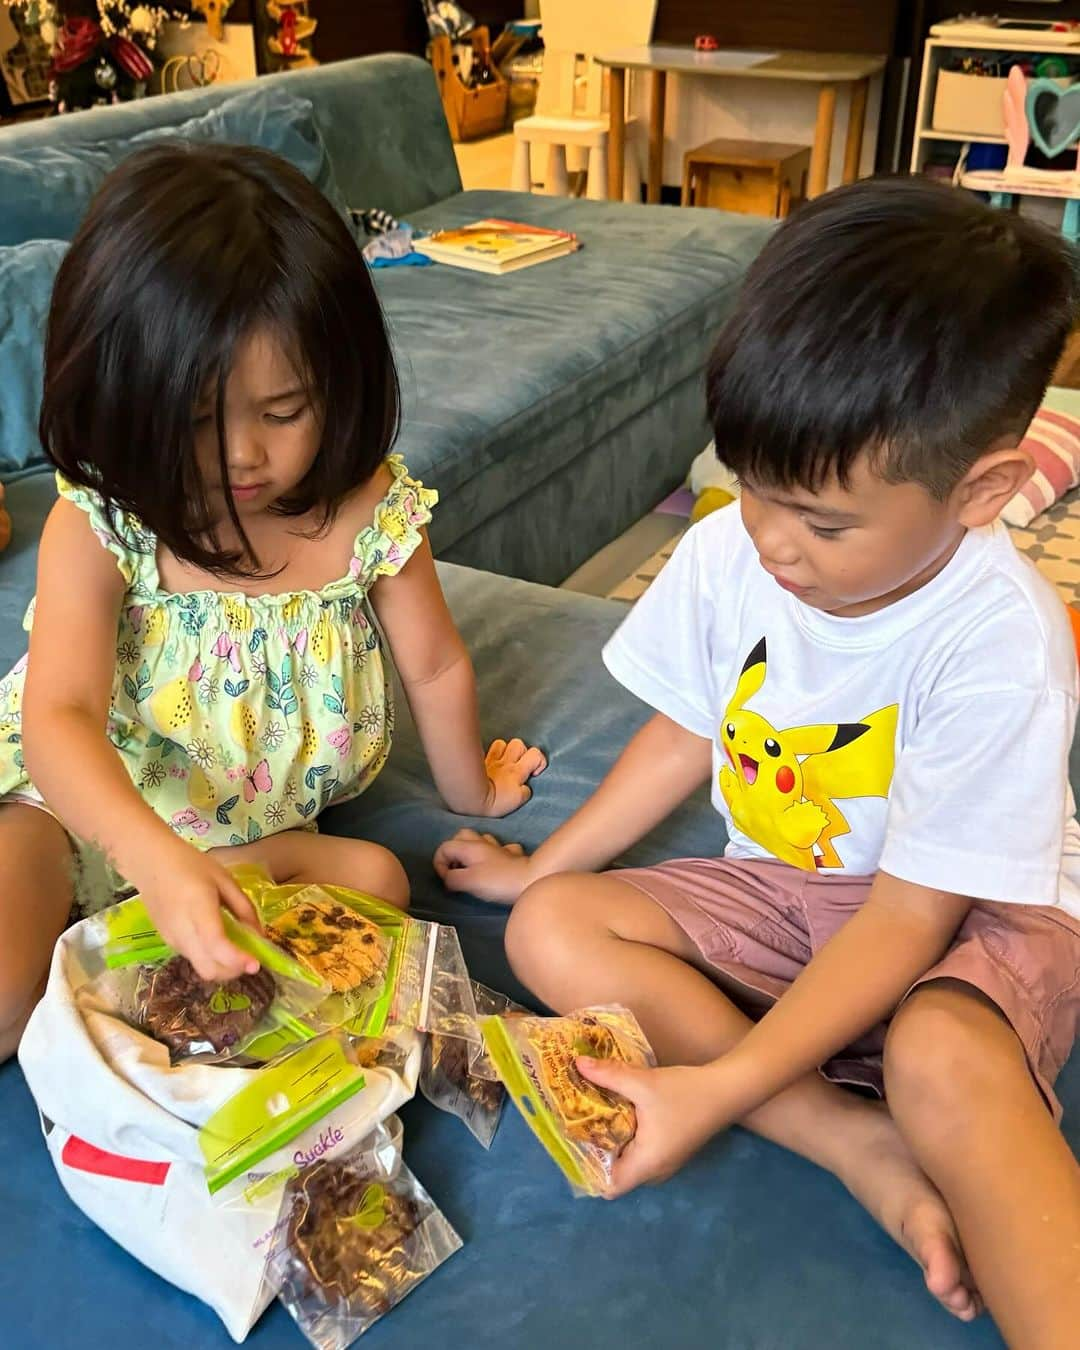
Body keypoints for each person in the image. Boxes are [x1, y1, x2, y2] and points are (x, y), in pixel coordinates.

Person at [434, 178, 1080, 1344]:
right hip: (791, 898)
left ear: (980, 491)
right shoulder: (739, 544)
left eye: (823, 523)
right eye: (751, 487)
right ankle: (852, 1141)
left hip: (965, 910)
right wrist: (542, 873)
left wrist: (715, 1091)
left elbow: (907, 918)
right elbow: (689, 727)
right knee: (552, 932)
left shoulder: (1002, 642)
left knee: (939, 1053)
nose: (771, 543)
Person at [0, 142, 544, 1061]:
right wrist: (151, 862)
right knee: (7, 1001)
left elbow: (435, 660)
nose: (243, 456)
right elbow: (59, 717)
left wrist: (473, 789)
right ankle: (133, 923)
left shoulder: (369, 510)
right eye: (200, 421)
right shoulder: (103, 523)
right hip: (78, 811)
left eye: (283, 411)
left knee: (380, 879)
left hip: (257, 836)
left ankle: (189, 910)